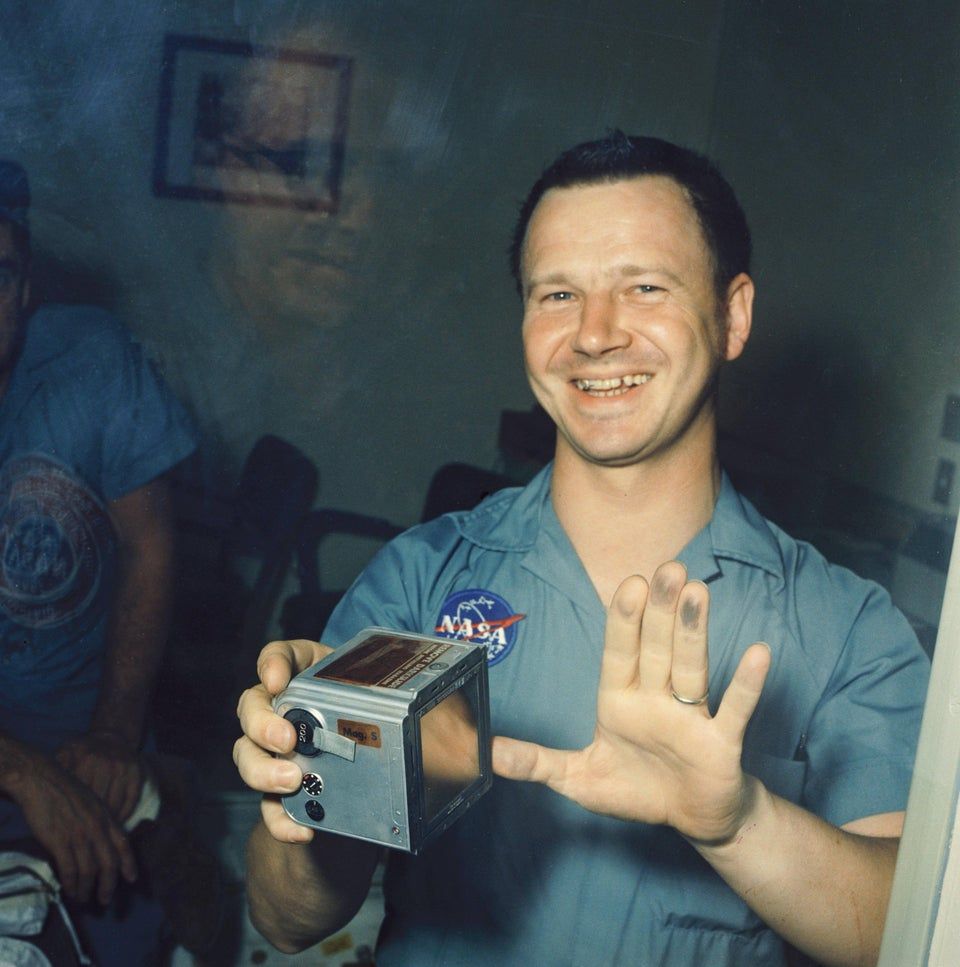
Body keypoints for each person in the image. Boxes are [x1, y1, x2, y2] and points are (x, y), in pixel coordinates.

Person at [234, 132, 930, 966]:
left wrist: (742, 820)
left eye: (644, 286)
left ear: (733, 313)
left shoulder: (848, 629)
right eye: (557, 294)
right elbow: (287, 918)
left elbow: (912, 934)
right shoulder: (423, 579)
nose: (595, 334)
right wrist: (307, 788)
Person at [0, 160, 198, 963]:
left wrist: (115, 734)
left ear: (23, 289)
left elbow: (150, 545)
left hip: (90, 737)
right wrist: (23, 774)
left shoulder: (91, 355)